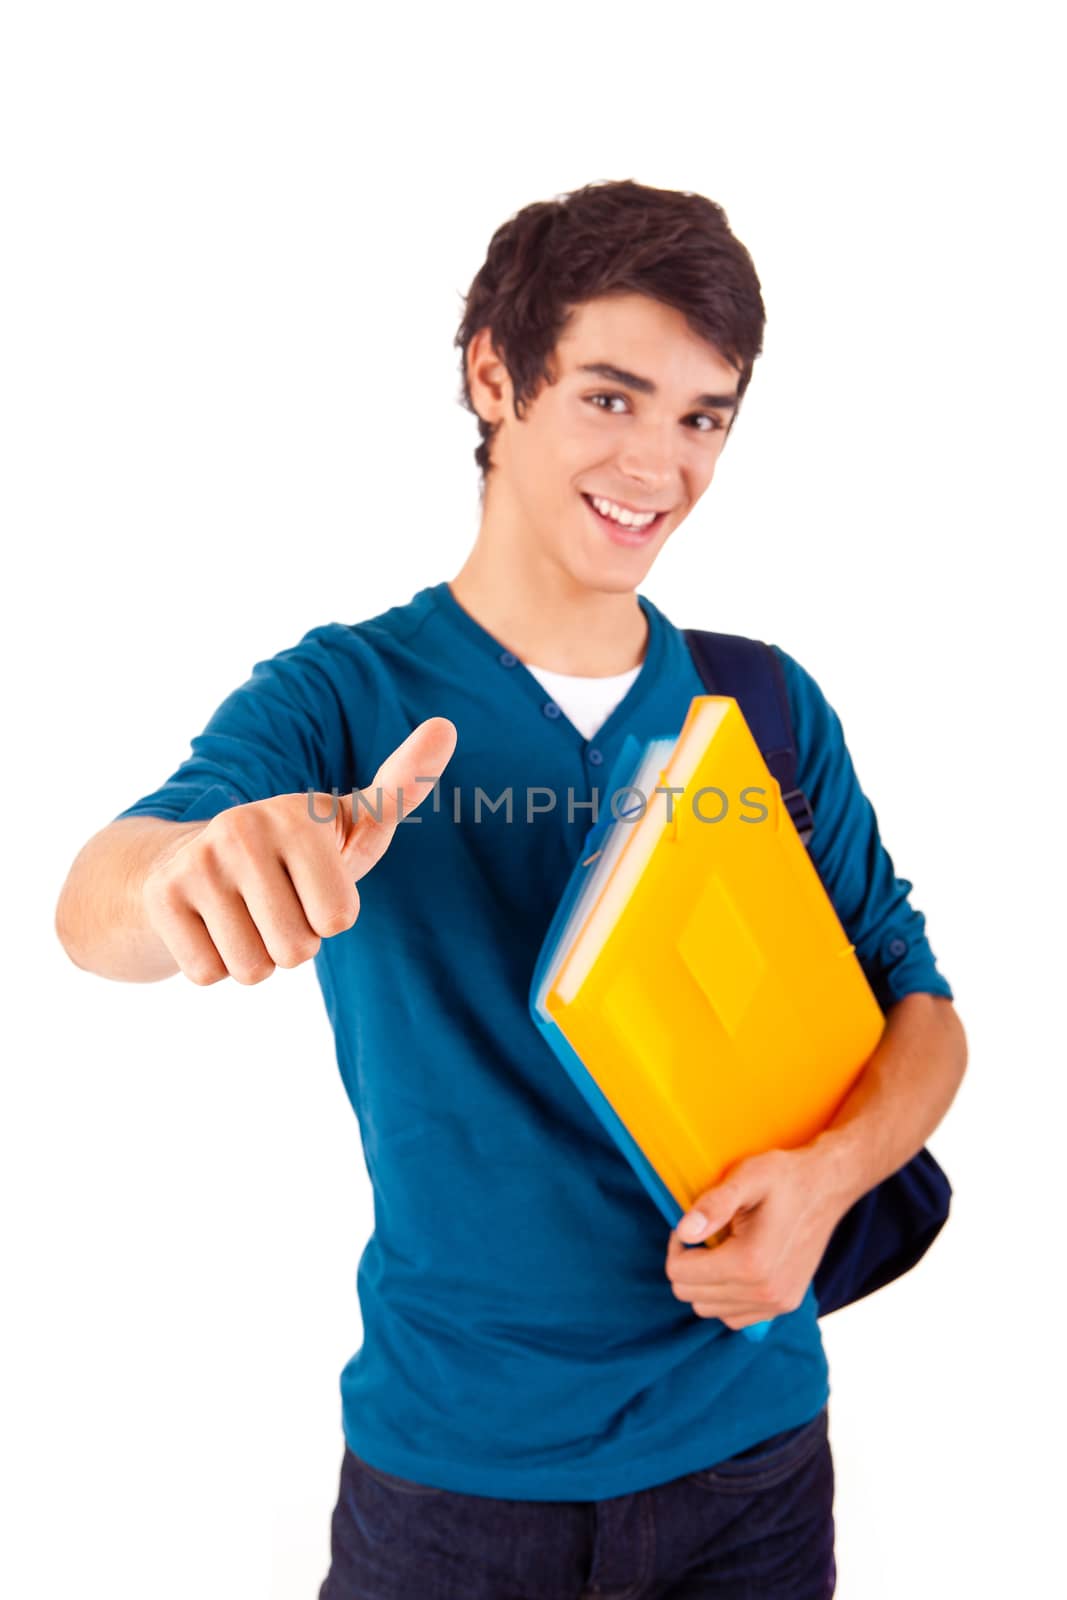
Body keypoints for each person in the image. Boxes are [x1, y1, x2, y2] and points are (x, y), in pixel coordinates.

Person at [54, 178, 968, 1599]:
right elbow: (95, 903)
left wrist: (827, 1183)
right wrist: (187, 870)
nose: (658, 466)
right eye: (611, 397)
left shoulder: (764, 710)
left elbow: (924, 1008)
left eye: (702, 416)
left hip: (756, 1472)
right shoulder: (346, 697)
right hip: (455, 1495)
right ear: (494, 372)